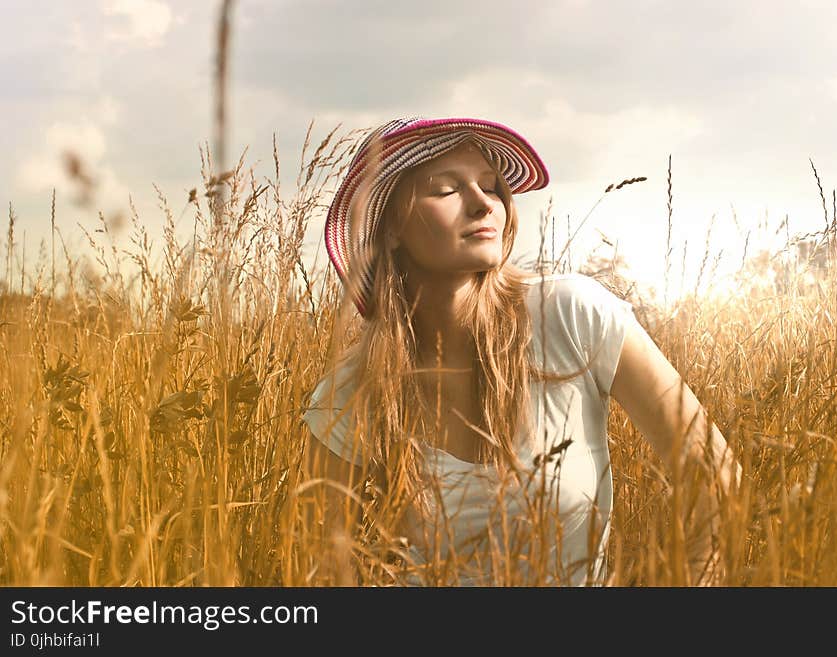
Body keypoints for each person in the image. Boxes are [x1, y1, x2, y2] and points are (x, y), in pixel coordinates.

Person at [301, 116, 742, 586]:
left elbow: (715, 475)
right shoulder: (353, 389)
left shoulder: (572, 315)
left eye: (491, 187)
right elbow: (321, 568)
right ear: (389, 228)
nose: (481, 204)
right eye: (447, 190)